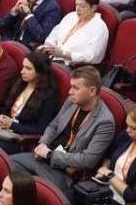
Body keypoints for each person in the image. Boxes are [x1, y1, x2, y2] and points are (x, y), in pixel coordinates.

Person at [10, 66, 115, 195]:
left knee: (29, 188)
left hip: (64, 171)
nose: (70, 91)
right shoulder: (71, 101)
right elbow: (53, 126)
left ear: (92, 91)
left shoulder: (105, 122)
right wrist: (42, 143)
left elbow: (88, 160)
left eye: (75, 88)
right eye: (71, 86)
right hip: (43, 158)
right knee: (9, 165)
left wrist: (50, 155)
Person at [0, 52, 60, 154]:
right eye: (23, 67)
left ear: (40, 72)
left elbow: (41, 129)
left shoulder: (48, 96)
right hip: (3, 131)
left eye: (28, 68)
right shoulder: (20, 84)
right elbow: (6, 108)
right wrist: (1, 120)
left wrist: (12, 125)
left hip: (19, 140)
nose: (22, 71)